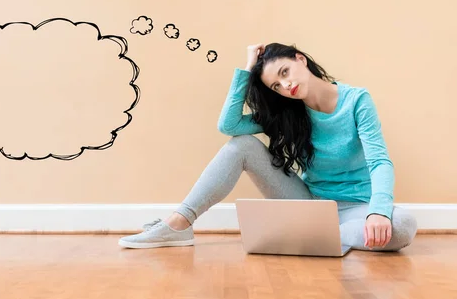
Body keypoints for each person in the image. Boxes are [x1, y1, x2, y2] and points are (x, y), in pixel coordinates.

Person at [118, 43, 417, 251]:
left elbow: (380, 162)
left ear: (300, 59)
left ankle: (314, 237)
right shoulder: (287, 113)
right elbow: (229, 126)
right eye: (276, 85)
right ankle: (178, 224)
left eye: (284, 72)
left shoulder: (356, 100)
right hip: (311, 205)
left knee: (402, 224)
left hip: (358, 209)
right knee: (243, 145)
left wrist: (377, 213)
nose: (285, 86)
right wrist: (248, 70)